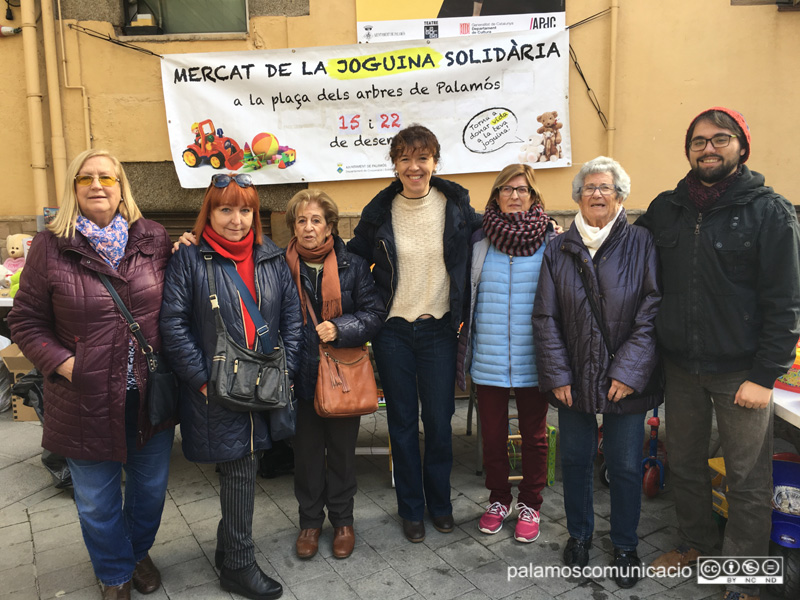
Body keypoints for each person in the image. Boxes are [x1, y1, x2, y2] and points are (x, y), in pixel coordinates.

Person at [637, 107, 800, 600]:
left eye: (720, 139)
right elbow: (629, 256)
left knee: (748, 476)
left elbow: (786, 302)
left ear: (741, 147)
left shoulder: (771, 211)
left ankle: (745, 573)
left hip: (741, 373)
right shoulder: (667, 208)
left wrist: (766, 375)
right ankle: (694, 543)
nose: (708, 148)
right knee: (684, 461)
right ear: (688, 150)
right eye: (699, 141)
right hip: (681, 367)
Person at [8, 149, 175, 600]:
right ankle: (115, 573)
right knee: (98, 500)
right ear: (74, 188)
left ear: (122, 187)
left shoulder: (154, 238)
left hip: (149, 394)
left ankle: (136, 552)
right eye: (87, 178)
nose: (97, 185)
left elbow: (178, 301)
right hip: (83, 396)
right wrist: (65, 364)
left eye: (107, 177)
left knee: (150, 492)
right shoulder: (50, 246)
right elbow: (24, 320)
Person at [160, 172, 302, 600]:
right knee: (240, 469)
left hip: (264, 386)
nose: (236, 219)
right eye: (225, 209)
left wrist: (285, 371)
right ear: (209, 212)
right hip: (217, 390)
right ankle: (238, 565)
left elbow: (292, 321)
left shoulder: (272, 258)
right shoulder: (189, 258)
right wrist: (203, 381)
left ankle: (228, 548)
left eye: (245, 210)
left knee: (247, 466)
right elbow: (173, 324)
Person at [347, 124, 481, 542]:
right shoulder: (379, 213)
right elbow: (349, 257)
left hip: (439, 330)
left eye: (421, 158)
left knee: (439, 421)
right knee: (402, 423)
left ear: (434, 162)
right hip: (392, 333)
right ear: (395, 165)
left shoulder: (456, 207)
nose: (414, 166)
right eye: (404, 158)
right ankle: (411, 509)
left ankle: (440, 504)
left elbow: (494, 231)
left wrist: (545, 231)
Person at [533, 156, 662, 589]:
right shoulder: (558, 247)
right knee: (574, 460)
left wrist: (629, 371)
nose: (597, 194)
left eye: (606, 187)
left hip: (628, 378)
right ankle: (580, 535)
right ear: (577, 197)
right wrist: (558, 375)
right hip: (573, 378)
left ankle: (625, 544)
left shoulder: (642, 242)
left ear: (621, 196)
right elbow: (545, 317)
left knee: (625, 465)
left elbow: (651, 310)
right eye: (589, 187)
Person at [285, 190, 385, 560]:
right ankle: (310, 522)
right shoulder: (280, 264)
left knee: (342, 454)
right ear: (293, 226)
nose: (308, 227)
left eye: (316, 220)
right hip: (300, 376)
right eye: (301, 220)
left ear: (329, 226)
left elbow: (374, 314)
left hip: (342, 375)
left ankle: (343, 521)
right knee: (307, 456)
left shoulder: (352, 265)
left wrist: (340, 327)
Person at [456, 164, 553, 543]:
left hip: (535, 359)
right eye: (507, 189)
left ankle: (531, 502)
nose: (515, 195)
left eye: (523, 189)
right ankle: (499, 499)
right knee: (493, 437)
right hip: (490, 358)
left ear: (534, 197)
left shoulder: (551, 241)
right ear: (495, 196)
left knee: (535, 436)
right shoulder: (479, 242)